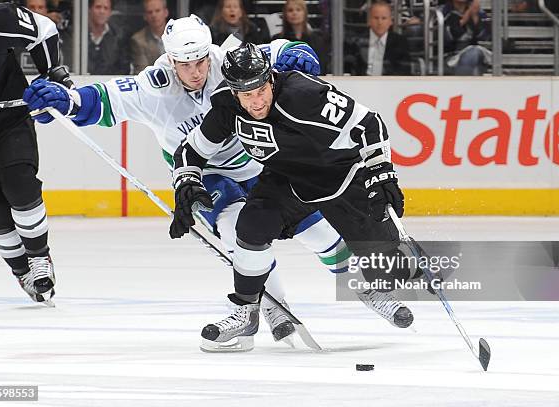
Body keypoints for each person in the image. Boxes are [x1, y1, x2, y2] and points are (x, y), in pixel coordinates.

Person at [22, 15, 331, 345]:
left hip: (257, 163)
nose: (196, 72)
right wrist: (65, 100)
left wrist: (298, 51)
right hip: (202, 173)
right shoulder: (153, 86)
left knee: (319, 230)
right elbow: (100, 98)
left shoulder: (228, 59)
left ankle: (384, 289)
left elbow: (280, 49)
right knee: (233, 227)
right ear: (170, 59)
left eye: (200, 61)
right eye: (185, 64)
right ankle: (272, 307)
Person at [171, 43, 417, 352]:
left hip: (338, 176)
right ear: (234, 93)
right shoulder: (226, 107)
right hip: (285, 180)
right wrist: (186, 181)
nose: (256, 101)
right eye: (247, 95)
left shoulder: (305, 94)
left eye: (261, 90)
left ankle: (373, 289)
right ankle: (246, 310)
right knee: (250, 227)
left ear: (270, 78)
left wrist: (383, 173)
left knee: (389, 262)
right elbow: (190, 150)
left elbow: (370, 124)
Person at [0, 3, 69, 304]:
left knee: (20, 184)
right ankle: (21, 270)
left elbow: (44, 29)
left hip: (9, 120)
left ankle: (40, 258)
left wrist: (53, 73)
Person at [345, 0, 411, 76]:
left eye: (384, 18)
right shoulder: (357, 42)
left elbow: (404, 72)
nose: (380, 22)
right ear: (369, 20)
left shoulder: (401, 42)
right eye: (376, 18)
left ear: (390, 21)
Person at [271, 0, 329, 74]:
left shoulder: (317, 40)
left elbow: (322, 67)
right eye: (290, 10)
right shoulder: (277, 40)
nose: (294, 13)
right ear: (285, 14)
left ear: (305, 13)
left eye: (298, 10)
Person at [442, 0, 491, 76]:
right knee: (473, 54)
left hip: (476, 55)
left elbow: (485, 37)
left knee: (474, 53)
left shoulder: (480, 12)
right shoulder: (442, 12)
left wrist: (475, 17)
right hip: (450, 57)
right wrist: (467, 15)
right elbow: (449, 38)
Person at [88, 0, 130, 74]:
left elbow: (124, 69)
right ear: (89, 9)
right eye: (98, 7)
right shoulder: (78, 34)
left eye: (106, 8)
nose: (102, 11)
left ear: (110, 12)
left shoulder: (119, 37)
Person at [130, 0, 169, 73]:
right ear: (145, 16)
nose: (154, 15)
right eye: (150, 12)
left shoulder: (177, 35)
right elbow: (142, 72)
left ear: (166, 12)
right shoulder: (138, 40)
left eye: (157, 11)